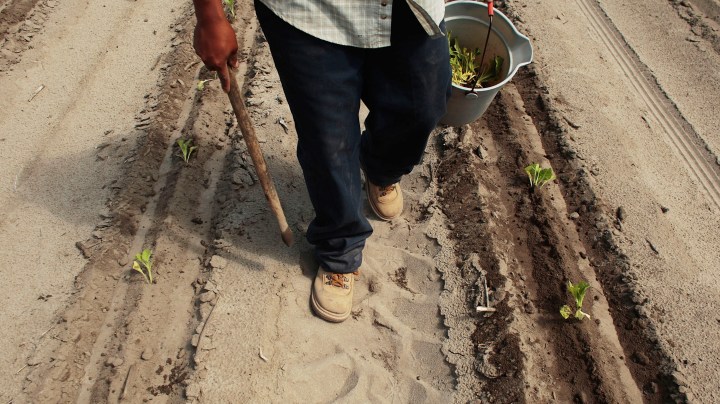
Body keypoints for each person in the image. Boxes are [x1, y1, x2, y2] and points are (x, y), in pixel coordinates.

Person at [192, 0, 451, 323]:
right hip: (308, 13)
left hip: (411, 9)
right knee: (327, 142)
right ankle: (340, 248)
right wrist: (210, 15)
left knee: (420, 109)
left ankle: (382, 169)